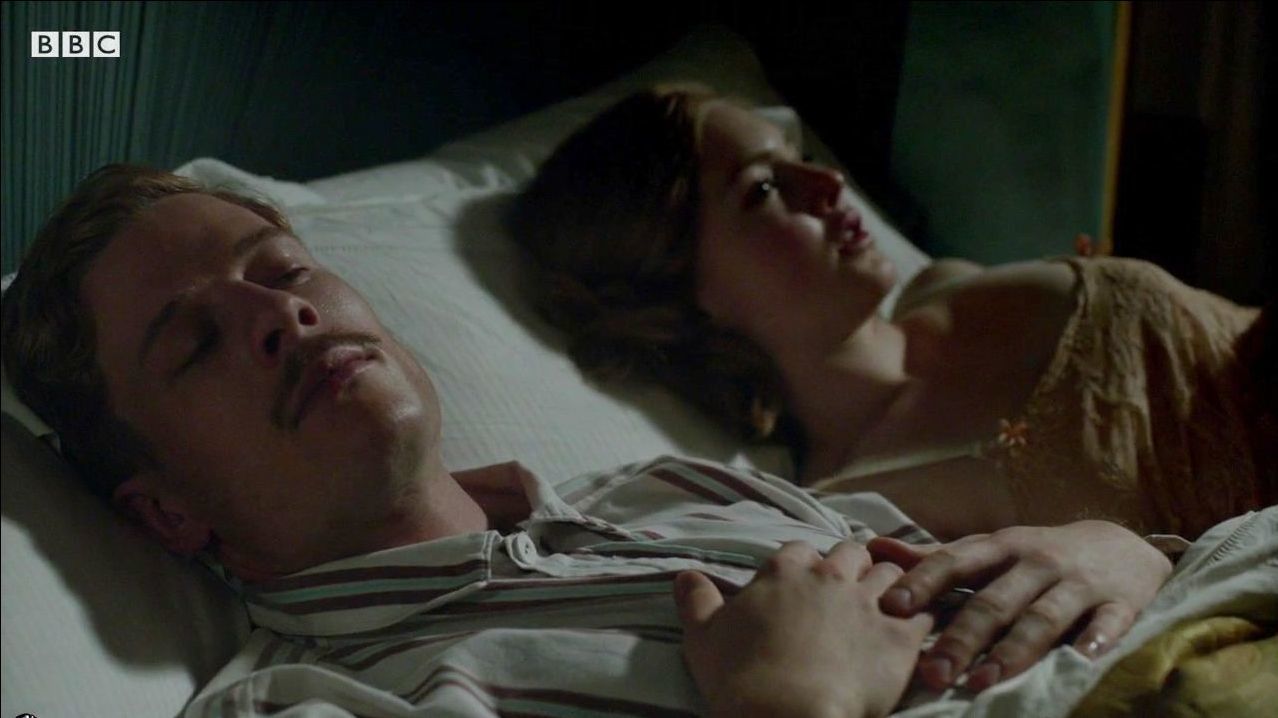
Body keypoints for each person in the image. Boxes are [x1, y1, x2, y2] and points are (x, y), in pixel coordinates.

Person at [1, 165, 1175, 715]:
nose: (280, 316)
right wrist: (790, 705)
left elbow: (1041, 581)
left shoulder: (669, 488)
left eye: (283, 269)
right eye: (195, 343)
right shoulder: (314, 706)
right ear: (165, 509)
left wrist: (1126, 553)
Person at [509, 84, 1277, 542]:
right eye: (765, 189)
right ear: (685, 291)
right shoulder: (866, 504)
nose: (828, 184)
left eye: (801, 156)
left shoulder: (949, 282)